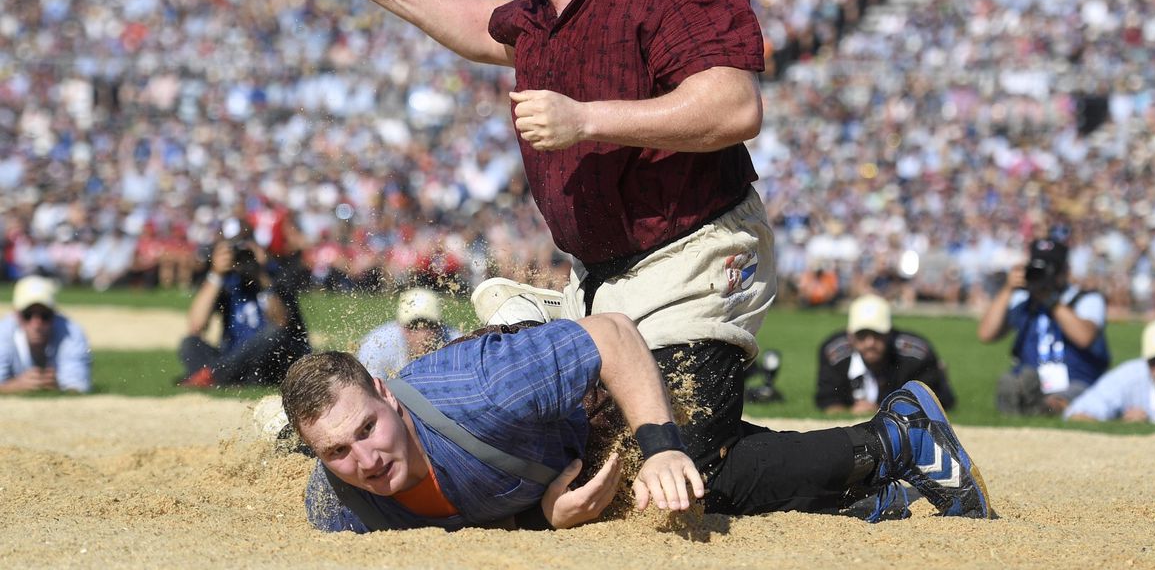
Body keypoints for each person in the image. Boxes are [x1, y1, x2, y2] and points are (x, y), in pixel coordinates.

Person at [321, 0, 778, 515]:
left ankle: (894, 443)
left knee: (678, 462)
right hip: (601, 276)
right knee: (598, 447)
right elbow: (488, 29)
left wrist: (587, 118)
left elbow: (735, 105)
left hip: (695, 249)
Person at [281, 315, 993, 533]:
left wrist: (655, 446)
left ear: (387, 393)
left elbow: (615, 338)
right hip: (551, 457)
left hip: (613, 383)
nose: (364, 457)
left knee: (692, 476)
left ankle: (896, 435)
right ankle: (876, 493)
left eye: (367, 428)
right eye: (337, 450)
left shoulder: (486, 389)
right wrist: (549, 517)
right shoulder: (341, 508)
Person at [978, 237, 1111, 415]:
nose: (1041, 276)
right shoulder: (1024, 300)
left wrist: (1049, 300)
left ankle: (1044, 407)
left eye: (1049, 269)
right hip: (1031, 379)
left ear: (1064, 271)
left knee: (1070, 396)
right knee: (1015, 382)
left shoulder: (1086, 299)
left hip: (1076, 380)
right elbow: (986, 334)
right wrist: (1007, 289)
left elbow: (1084, 337)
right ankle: (1024, 401)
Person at [177, 223, 310, 388]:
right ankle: (224, 376)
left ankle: (214, 376)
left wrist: (261, 277)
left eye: (246, 247)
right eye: (235, 249)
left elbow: (281, 321)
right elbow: (195, 325)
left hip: (273, 360)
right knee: (189, 343)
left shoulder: (276, 273)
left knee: (273, 334)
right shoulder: (226, 280)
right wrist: (216, 275)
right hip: (234, 357)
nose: (242, 256)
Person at [816, 294, 956, 414]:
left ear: (890, 333)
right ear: (850, 336)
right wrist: (850, 411)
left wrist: (881, 411)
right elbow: (828, 401)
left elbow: (936, 405)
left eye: (877, 334)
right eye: (862, 335)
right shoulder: (834, 354)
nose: (870, 343)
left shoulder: (915, 356)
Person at [1064, 319, 1155, 424]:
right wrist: (1122, 423)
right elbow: (1076, 414)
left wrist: (1152, 424)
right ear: (1145, 360)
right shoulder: (1127, 377)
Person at [0, 275, 91, 393]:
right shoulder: (3, 333)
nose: (37, 324)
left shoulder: (71, 332)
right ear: (17, 316)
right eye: (28, 315)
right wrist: (16, 386)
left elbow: (78, 385)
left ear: (54, 314)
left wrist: (59, 386)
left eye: (45, 315)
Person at [356, 287, 462, 379]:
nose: (423, 335)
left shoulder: (457, 345)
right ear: (401, 326)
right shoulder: (376, 346)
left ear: (440, 327)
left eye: (430, 326)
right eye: (414, 327)